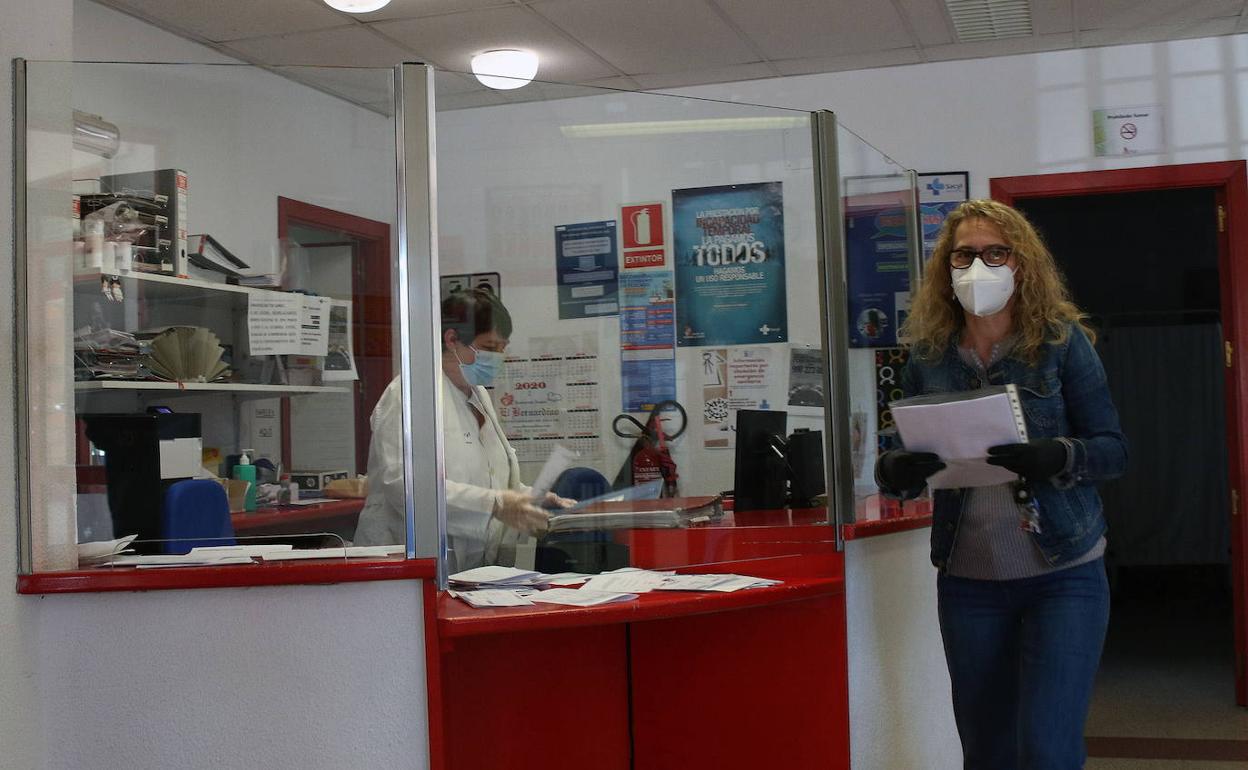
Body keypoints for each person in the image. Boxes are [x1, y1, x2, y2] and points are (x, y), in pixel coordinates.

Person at [875, 199, 1128, 769]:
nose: (978, 267)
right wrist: (894, 470)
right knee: (987, 751)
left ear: (1021, 263)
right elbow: (899, 454)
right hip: (970, 582)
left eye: (995, 253)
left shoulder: (1061, 344)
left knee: (1046, 749)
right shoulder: (928, 357)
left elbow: (1114, 450)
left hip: (1064, 573)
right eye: (964, 255)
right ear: (946, 266)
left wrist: (1056, 455)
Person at [353, 288, 569, 569]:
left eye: (503, 348)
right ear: (452, 339)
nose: (498, 357)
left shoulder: (478, 394)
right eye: (490, 347)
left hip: (469, 566)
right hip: (407, 563)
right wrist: (496, 503)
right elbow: (404, 487)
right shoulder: (410, 394)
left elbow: (489, 477)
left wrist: (528, 498)